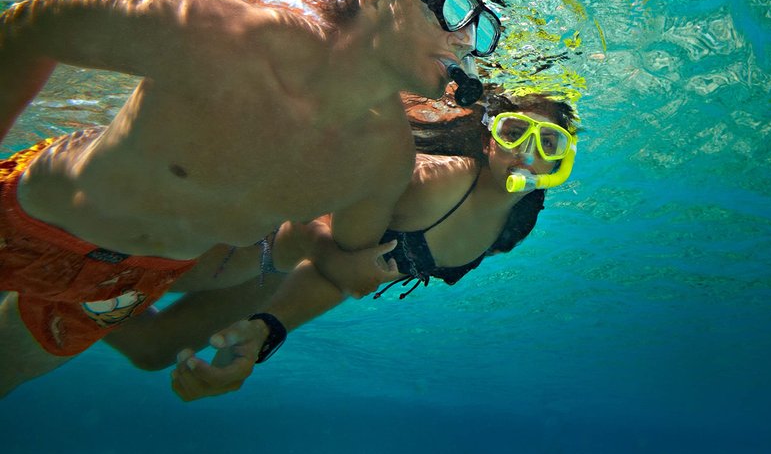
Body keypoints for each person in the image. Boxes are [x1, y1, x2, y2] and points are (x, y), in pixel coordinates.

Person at [0, 0, 503, 397]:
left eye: (481, 29)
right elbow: (30, 26)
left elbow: (339, 263)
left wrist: (264, 332)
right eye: (454, 9)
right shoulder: (223, 32)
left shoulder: (384, 162)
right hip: (26, 218)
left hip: (124, 288)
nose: (466, 40)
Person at [102, 88, 577, 400]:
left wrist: (268, 328)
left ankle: (64, 291)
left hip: (288, 257)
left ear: (562, 157)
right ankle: (69, 260)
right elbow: (314, 219)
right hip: (264, 227)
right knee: (127, 276)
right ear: (489, 137)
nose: (526, 152)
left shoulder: (511, 228)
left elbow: (356, 273)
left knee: (151, 349)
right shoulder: (435, 182)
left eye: (548, 143)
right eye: (514, 132)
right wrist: (331, 260)